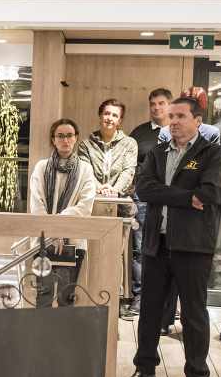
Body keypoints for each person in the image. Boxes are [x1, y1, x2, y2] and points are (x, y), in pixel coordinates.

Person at [126, 96, 221, 377]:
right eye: (171, 116)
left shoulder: (211, 154)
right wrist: (185, 197)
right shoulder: (157, 153)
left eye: (180, 116)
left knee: (194, 315)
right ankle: (145, 368)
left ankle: (196, 376)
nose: (174, 122)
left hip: (193, 246)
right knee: (150, 311)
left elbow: (211, 192)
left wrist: (165, 194)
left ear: (198, 120)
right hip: (157, 244)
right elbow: (143, 188)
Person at [29, 118, 97, 307]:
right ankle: (41, 336)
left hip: (73, 242)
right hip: (43, 241)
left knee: (66, 297)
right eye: (60, 136)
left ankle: (64, 336)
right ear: (53, 139)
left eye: (69, 135)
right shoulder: (41, 167)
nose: (65, 140)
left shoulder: (85, 169)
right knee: (43, 296)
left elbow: (85, 206)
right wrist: (52, 231)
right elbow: (37, 205)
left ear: (75, 139)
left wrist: (59, 227)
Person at [128, 88, 173, 314]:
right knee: (141, 248)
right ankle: (140, 297)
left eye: (161, 103)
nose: (156, 107)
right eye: (153, 103)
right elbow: (130, 165)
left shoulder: (179, 131)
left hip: (173, 200)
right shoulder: (139, 132)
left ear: (170, 105)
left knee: (170, 249)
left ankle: (168, 303)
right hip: (144, 200)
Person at [78, 98, 139, 197]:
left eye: (115, 115)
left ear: (119, 121)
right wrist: (99, 188)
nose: (110, 118)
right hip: (92, 200)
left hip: (121, 203)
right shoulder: (85, 145)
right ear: (100, 116)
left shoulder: (130, 144)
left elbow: (128, 172)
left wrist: (114, 190)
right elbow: (85, 172)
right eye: (107, 113)